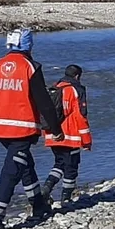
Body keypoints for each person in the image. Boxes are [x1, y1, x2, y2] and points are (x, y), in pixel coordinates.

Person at [0, 29, 64, 229]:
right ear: (28, 46)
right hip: (21, 129)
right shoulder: (30, 67)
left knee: (25, 165)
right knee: (12, 171)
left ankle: (39, 205)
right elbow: (44, 101)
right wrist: (56, 129)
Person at [41, 64, 92, 208]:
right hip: (70, 136)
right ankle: (66, 198)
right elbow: (80, 116)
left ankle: (47, 188)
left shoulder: (54, 88)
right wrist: (86, 140)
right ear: (77, 76)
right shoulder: (76, 90)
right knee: (71, 167)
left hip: (52, 134)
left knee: (59, 163)